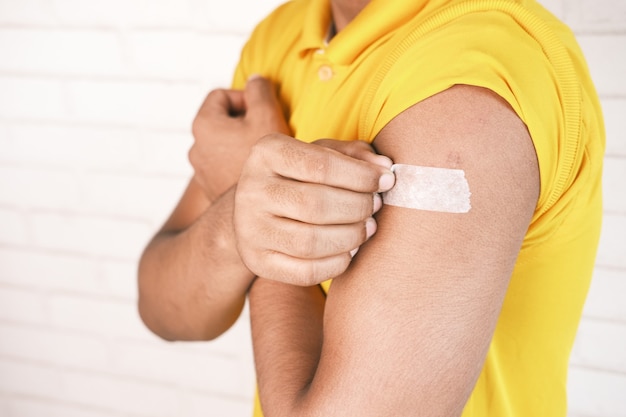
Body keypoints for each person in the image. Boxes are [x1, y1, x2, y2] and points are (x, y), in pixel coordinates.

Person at [137, 0, 605, 415]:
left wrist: (259, 211)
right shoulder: (279, 38)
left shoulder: (472, 79)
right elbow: (165, 310)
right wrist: (239, 216)